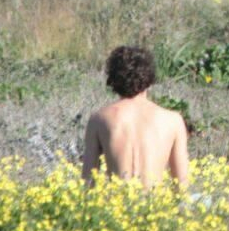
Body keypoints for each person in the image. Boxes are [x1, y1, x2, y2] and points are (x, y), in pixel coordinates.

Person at [82, 45, 191, 189]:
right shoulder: (173, 120)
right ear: (150, 79)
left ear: (113, 79)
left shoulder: (99, 119)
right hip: (156, 206)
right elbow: (182, 185)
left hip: (117, 207)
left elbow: (88, 182)